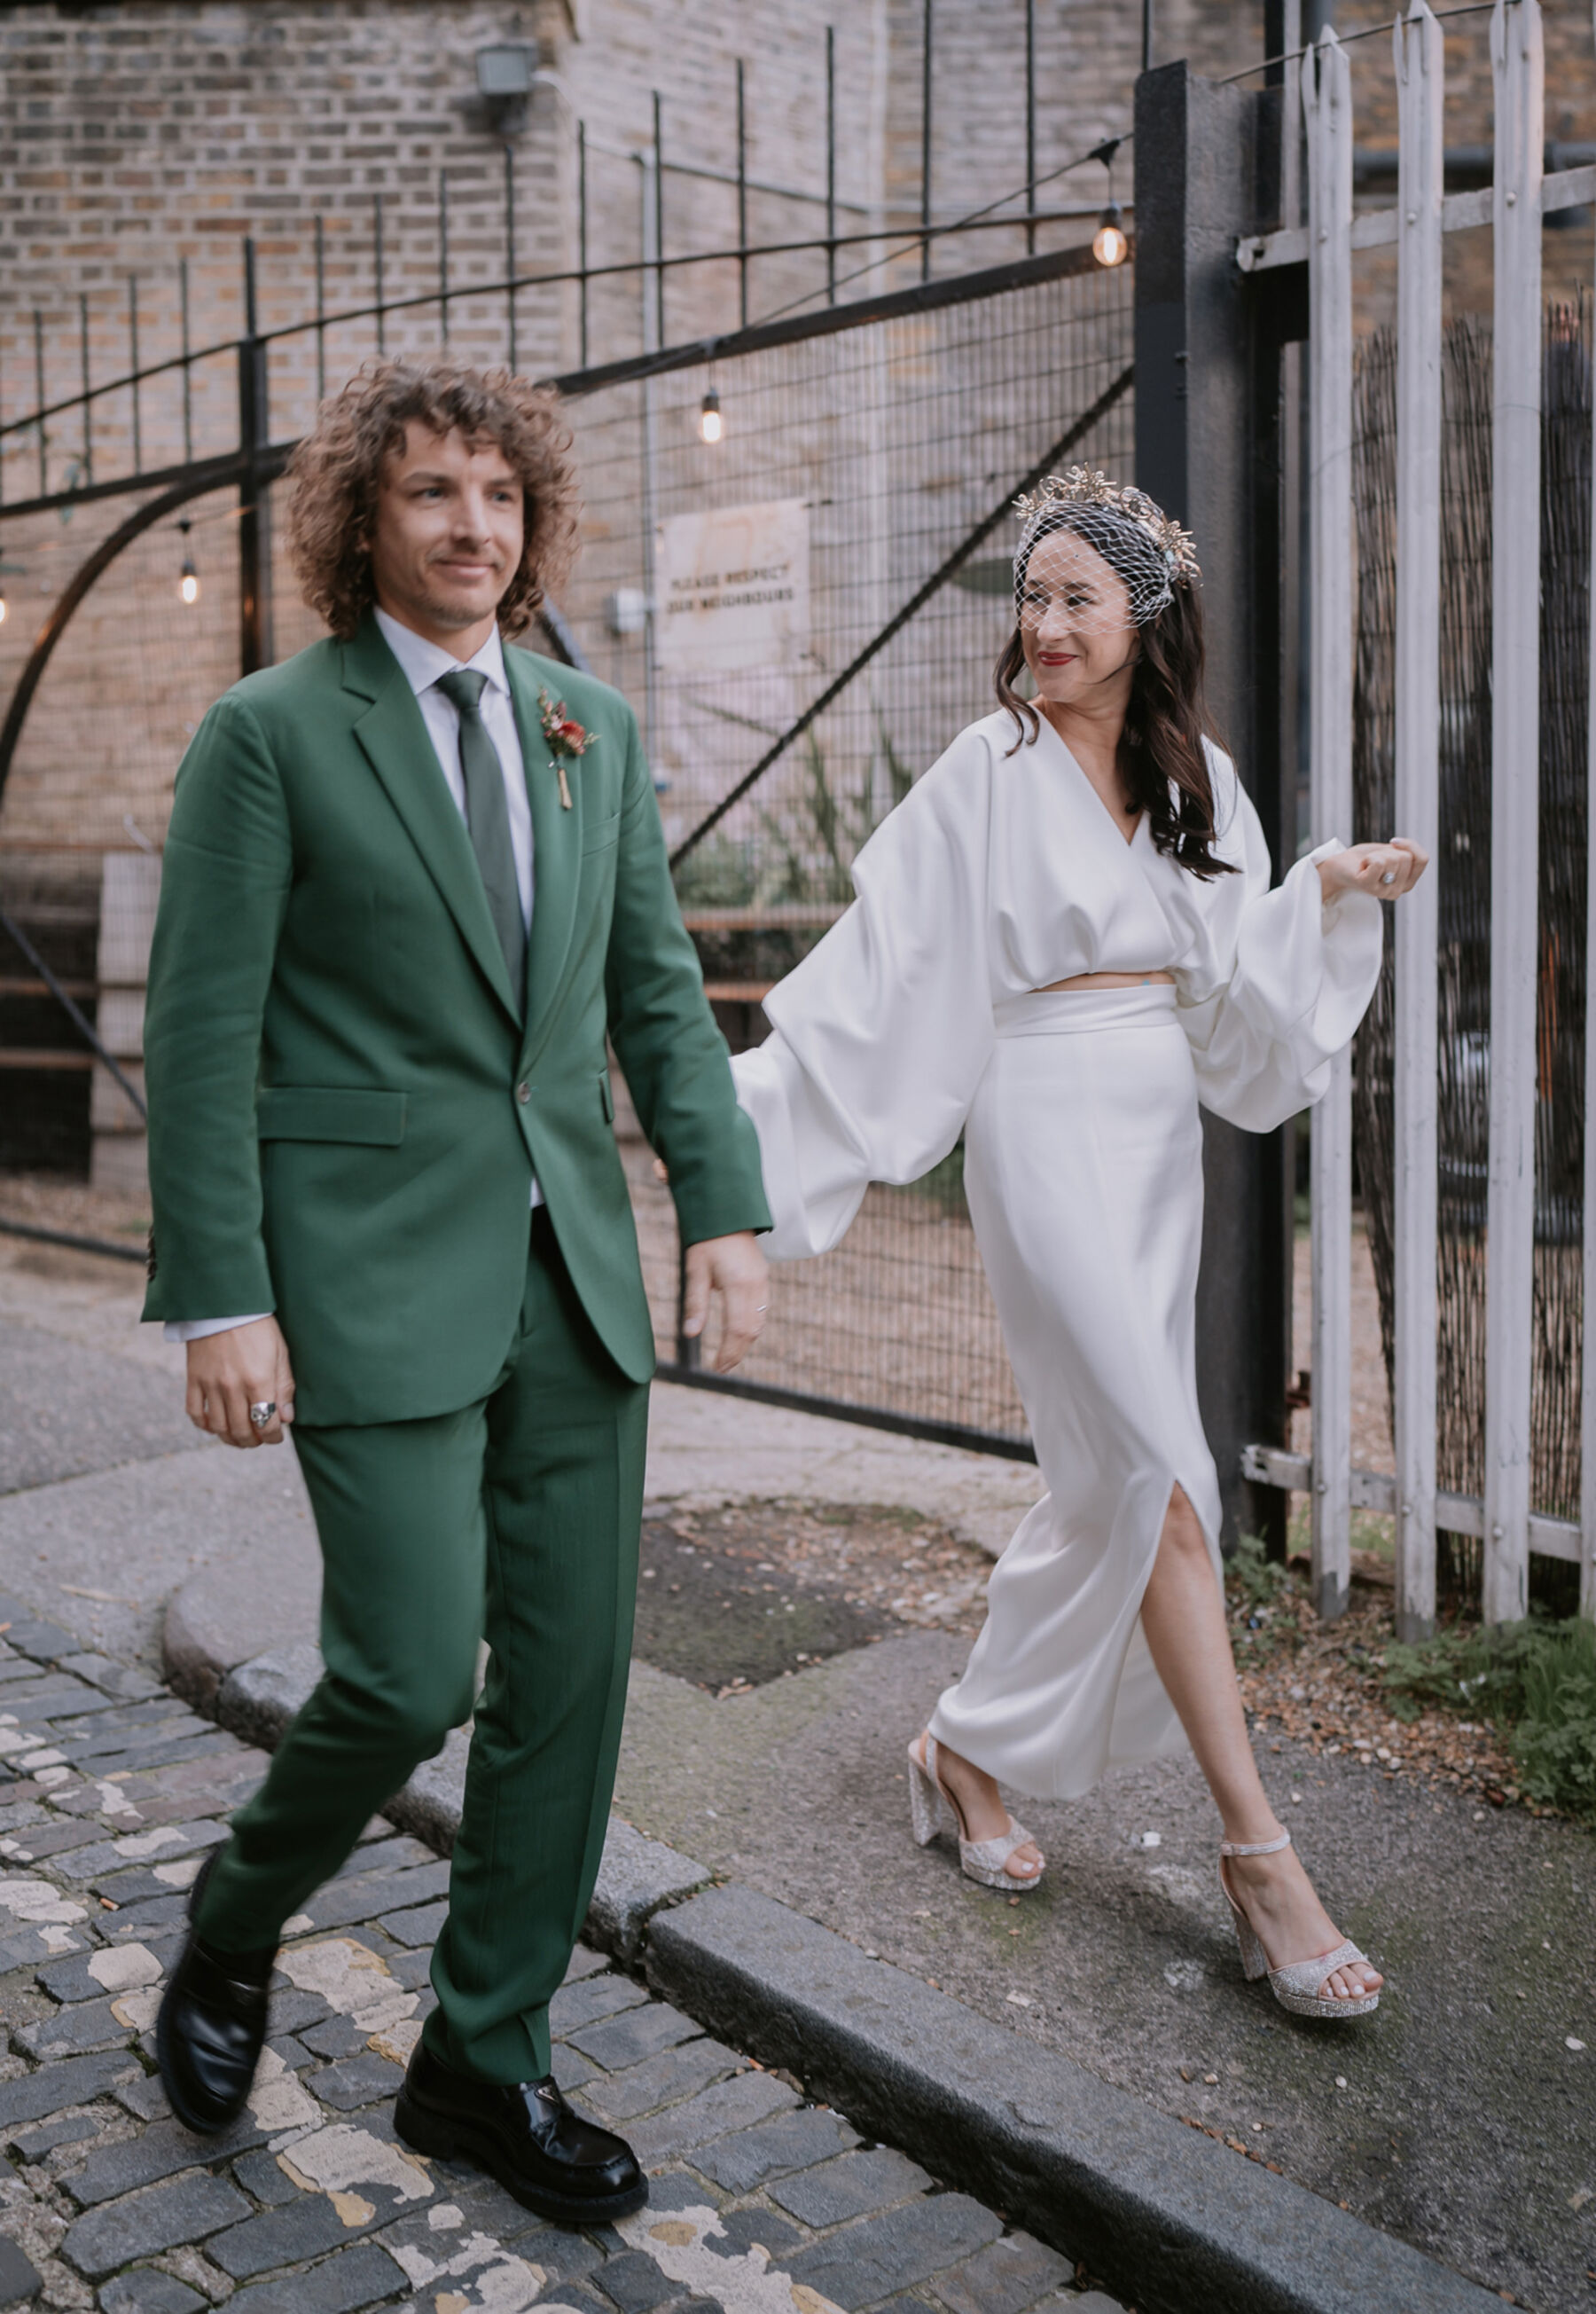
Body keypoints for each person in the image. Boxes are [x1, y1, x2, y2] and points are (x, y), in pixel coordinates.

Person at [142, 355, 770, 2210]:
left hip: (570, 1278)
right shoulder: (270, 734)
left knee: (567, 1690)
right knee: (411, 1669)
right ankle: (239, 1912)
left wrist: (718, 1208)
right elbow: (202, 1035)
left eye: (498, 497)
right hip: (362, 1279)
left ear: (534, 518)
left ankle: (483, 2063)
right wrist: (219, 1296)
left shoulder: (592, 724)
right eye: (431, 493)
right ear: (365, 520)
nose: (472, 528)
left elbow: (654, 990)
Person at [732, 467, 1425, 2023]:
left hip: (1153, 1141)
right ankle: (1260, 1858)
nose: (1042, 626)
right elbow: (882, 977)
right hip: (1039, 1129)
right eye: (1031, 599)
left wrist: (1323, 887)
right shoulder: (984, 773)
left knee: (1111, 1486)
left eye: (1075, 600)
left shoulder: (1200, 781)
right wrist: (726, 1117)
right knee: (1167, 1483)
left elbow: (1237, 995)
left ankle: (966, 1747)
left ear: (1145, 622)